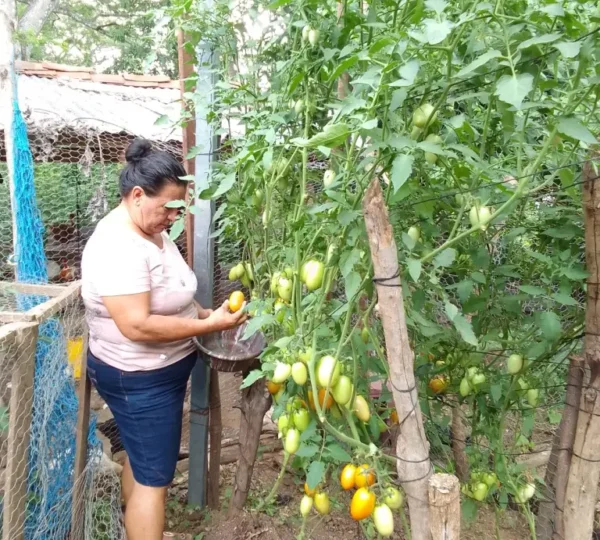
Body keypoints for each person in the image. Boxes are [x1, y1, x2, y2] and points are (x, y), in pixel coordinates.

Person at [81, 139, 246, 540]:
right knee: (156, 480)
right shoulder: (120, 245)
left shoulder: (149, 230)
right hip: (139, 379)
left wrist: (207, 314)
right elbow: (136, 324)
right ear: (138, 195)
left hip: (155, 376)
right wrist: (208, 327)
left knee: (144, 461)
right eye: (168, 207)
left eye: (179, 207)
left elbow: (170, 296)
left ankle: (132, 521)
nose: (174, 216)